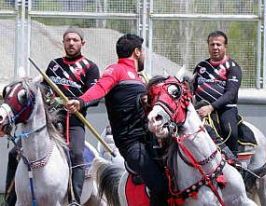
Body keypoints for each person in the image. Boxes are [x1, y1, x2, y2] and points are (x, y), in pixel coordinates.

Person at [66, 33, 168, 206]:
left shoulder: (139, 77)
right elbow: (100, 87)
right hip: (132, 144)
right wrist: (81, 101)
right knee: (160, 186)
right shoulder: (117, 69)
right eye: (142, 51)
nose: (143, 55)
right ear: (136, 52)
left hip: (151, 139)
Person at [4, 27, 101, 206]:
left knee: (77, 154)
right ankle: (10, 199)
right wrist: (50, 98)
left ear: (82, 43)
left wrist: (78, 102)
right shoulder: (54, 65)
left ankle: (74, 199)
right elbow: (45, 91)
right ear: (63, 43)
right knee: (13, 153)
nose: (71, 43)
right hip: (50, 120)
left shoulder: (90, 67)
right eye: (67, 40)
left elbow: (95, 95)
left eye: (75, 40)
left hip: (73, 121)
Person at [193, 30, 242, 158]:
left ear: (225, 47)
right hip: (199, 108)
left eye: (218, 44)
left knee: (229, 130)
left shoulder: (232, 67)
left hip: (225, 108)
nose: (215, 47)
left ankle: (235, 162)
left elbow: (231, 94)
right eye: (212, 44)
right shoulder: (201, 66)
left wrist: (211, 107)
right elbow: (191, 88)